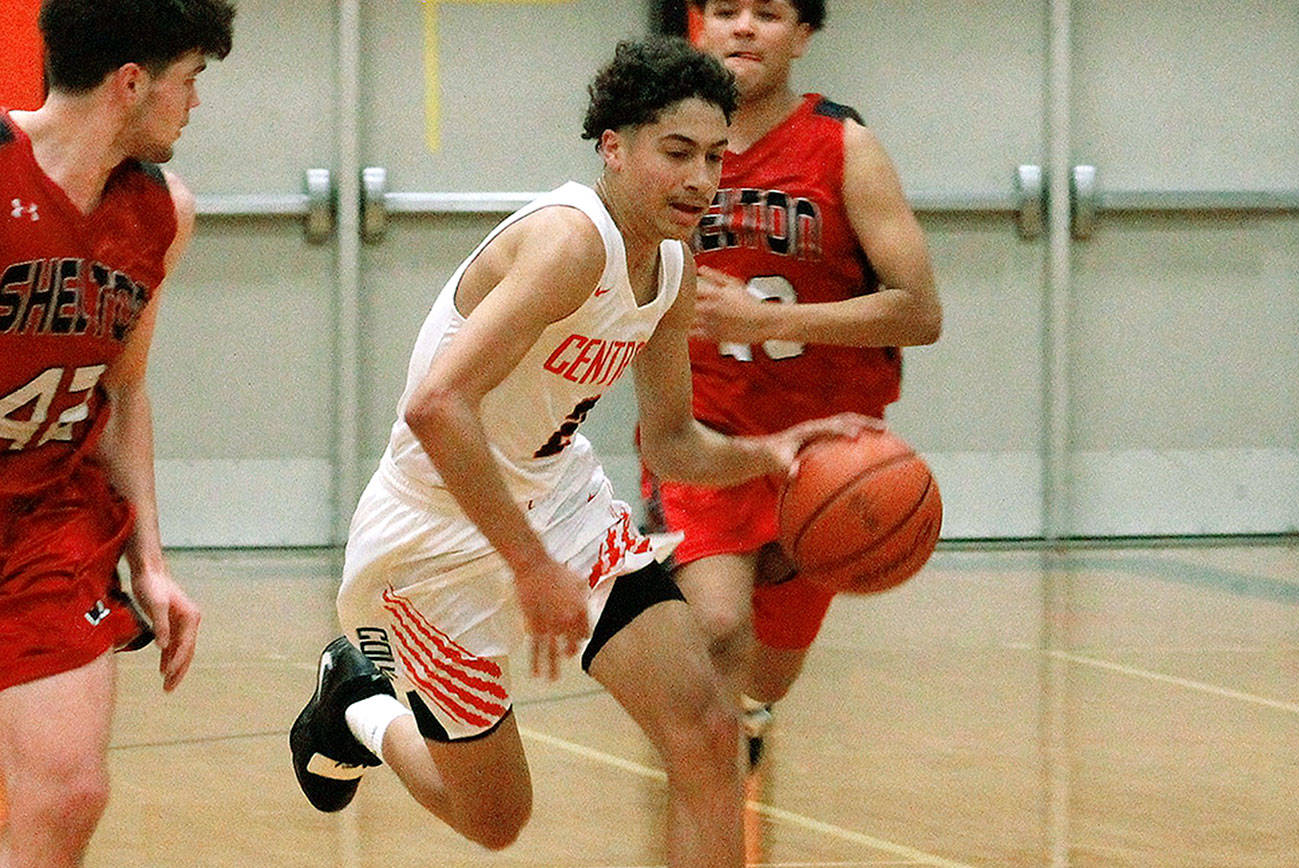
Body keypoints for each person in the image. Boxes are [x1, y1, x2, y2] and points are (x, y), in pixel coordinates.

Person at [289, 37, 868, 868]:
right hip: (434, 539)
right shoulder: (570, 243)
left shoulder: (670, 262)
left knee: (708, 731)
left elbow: (671, 444)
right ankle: (355, 706)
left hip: (562, 502)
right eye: (677, 153)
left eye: (714, 155)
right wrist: (529, 567)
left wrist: (774, 454)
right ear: (616, 146)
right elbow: (436, 407)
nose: (701, 179)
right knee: (495, 818)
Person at [642, 0, 943, 768]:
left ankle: (747, 717)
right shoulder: (662, 151)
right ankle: (703, 794)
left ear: (803, 35)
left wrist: (770, 322)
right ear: (696, 25)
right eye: (727, 9)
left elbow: (919, 311)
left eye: (769, 13)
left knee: (767, 665)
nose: (745, 27)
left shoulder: (844, 145)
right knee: (716, 630)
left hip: (827, 452)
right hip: (707, 436)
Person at [0, 1, 234, 863]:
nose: (195, 105)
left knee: (70, 795)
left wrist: (152, 564)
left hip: (48, 524)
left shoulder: (163, 212)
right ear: (132, 83)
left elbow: (125, 390)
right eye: (191, 80)